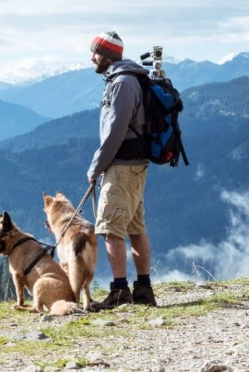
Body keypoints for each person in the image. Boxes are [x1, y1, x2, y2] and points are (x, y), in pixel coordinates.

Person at [86, 31, 157, 310]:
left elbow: (115, 132)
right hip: (133, 166)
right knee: (135, 227)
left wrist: (96, 167)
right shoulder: (127, 78)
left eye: (95, 52)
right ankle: (143, 290)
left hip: (121, 167)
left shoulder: (122, 83)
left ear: (107, 55)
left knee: (111, 229)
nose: (92, 57)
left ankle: (119, 291)